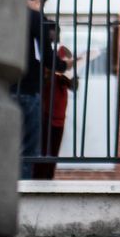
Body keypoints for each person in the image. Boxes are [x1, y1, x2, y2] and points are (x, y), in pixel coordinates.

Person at [13, 0, 53, 180]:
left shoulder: (6, 15)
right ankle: (22, 189)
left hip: (4, 88)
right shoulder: (35, 18)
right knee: (29, 147)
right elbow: (47, 56)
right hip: (29, 89)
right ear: (38, 0)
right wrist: (66, 65)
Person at [33, 42, 77, 181]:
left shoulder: (65, 74)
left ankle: (48, 180)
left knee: (52, 157)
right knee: (42, 156)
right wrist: (53, 73)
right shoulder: (47, 69)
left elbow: (75, 86)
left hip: (59, 119)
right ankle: (37, 181)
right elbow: (43, 83)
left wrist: (69, 76)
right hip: (46, 117)